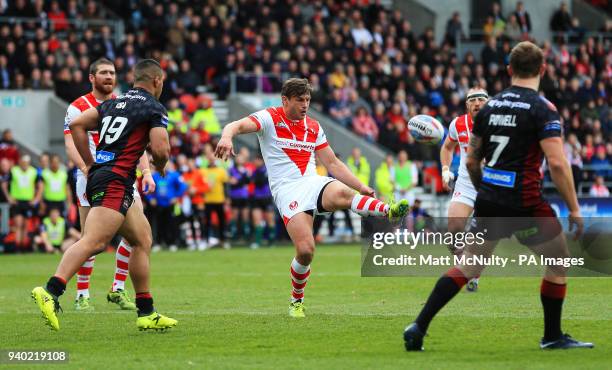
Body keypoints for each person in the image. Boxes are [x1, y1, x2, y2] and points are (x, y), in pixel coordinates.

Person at [404, 41, 593, 351]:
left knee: (468, 266)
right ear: (542, 70)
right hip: (527, 201)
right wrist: (574, 208)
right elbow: (558, 163)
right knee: (558, 262)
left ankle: (418, 326)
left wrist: (485, 193)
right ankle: (552, 336)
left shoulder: (490, 108)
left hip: (491, 200)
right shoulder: (543, 108)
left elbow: (471, 161)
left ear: (509, 70)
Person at [215, 78, 410, 318]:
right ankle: (296, 300)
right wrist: (226, 136)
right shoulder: (270, 118)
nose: (305, 105)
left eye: (308, 100)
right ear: (285, 100)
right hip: (287, 191)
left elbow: (332, 163)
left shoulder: (314, 127)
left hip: (312, 182)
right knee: (306, 250)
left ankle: (386, 211)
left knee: (343, 192)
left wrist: (361, 186)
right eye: (300, 100)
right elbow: (236, 124)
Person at [32, 59, 177, 332]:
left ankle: (146, 311)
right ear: (157, 81)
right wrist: (160, 166)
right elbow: (160, 149)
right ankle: (50, 291)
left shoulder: (112, 104)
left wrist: (89, 163)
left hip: (109, 177)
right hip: (115, 180)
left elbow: (77, 125)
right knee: (95, 241)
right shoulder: (153, 107)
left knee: (142, 239)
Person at [62, 58, 154, 311]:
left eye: (112, 73)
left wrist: (146, 172)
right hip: (92, 176)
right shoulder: (78, 107)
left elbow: (138, 141)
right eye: (103, 73)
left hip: (124, 175)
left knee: (139, 234)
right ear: (91, 77)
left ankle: (118, 287)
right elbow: (70, 142)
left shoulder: (123, 103)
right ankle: (82, 294)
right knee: (90, 239)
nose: (109, 77)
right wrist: (85, 167)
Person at [439, 87, 489, 292]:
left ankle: (472, 273)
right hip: (467, 182)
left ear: (488, 103)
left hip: (491, 183)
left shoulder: (498, 121)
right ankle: (469, 269)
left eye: (481, 99)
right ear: (467, 104)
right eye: (472, 100)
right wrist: (445, 170)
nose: (477, 103)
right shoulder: (457, 124)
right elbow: (447, 147)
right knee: (452, 233)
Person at [2, 155, 42, 250]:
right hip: (17, 202)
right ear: (20, 161)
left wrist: (36, 199)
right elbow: (4, 184)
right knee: (18, 224)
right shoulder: (14, 171)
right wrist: (9, 198)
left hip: (28, 202)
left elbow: (40, 186)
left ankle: (24, 246)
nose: (25, 164)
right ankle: (17, 246)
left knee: (26, 225)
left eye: (26, 162)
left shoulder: (33, 171)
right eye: (23, 162)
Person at [250, 154, 276, 249]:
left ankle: (271, 242)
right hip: (256, 198)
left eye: (256, 160)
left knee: (270, 220)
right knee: (257, 220)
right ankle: (257, 242)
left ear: (261, 160)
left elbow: (260, 181)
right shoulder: (255, 171)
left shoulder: (267, 170)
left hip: (267, 198)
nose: (254, 162)